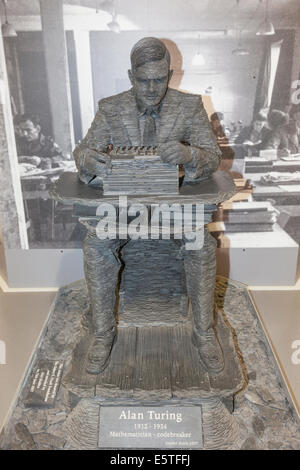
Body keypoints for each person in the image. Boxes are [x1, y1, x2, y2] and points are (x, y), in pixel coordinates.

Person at [74, 37, 223, 375]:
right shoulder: (111, 108)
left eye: (160, 79)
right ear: (131, 76)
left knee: (201, 244)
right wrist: (89, 160)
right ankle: (102, 334)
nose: (153, 88)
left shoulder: (189, 106)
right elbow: (83, 153)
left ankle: (204, 333)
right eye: (144, 80)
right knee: (96, 243)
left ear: (170, 74)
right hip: (123, 205)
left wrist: (190, 155)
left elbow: (212, 157)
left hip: (174, 204)